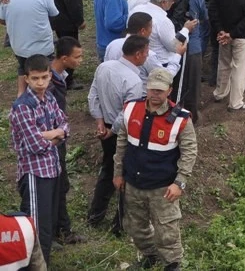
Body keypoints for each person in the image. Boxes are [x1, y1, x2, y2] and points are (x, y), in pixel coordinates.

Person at [113, 68, 197, 271]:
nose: (155, 95)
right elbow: (122, 142)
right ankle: (149, 255)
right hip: (133, 183)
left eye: (160, 91)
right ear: (147, 88)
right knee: (136, 225)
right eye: (152, 90)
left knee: (166, 230)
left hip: (163, 187)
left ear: (170, 90)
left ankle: (172, 264)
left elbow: (189, 152)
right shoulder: (131, 109)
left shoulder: (181, 119)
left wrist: (180, 182)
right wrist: (117, 173)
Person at [87, 35, 150, 234]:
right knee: (124, 173)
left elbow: (93, 95)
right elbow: (126, 115)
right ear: (138, 54)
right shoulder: (134, 81)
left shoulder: (104, 67)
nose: (147, 57)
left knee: (107, 169)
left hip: (104, 126)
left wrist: (100, 124)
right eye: (147, 53)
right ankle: (119, 225)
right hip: (122, 133)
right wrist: (112, 132)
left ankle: (95, 215)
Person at [9, 54, 69, 264]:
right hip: (34, 172)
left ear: (50, 77)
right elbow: (35, 145)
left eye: (44, 77)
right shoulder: (22, 106)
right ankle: (33, 265)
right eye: (35, 78)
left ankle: (44, 262)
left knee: (48, 222)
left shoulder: (49, 98)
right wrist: (55, 134)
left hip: (52, 169)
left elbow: (65, 126)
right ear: (26, 78)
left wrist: (48, 134)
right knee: (37, 225)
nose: (40, 82)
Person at [0, 0, 59, 96]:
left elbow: (2, 19)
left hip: (19, 47)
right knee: (43, 78)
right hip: (42, 48)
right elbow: (54, 14)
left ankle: (22, 95)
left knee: (23, 68)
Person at [48, 36, 86, 245]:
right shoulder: (49, 83)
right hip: (52, 142)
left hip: (60, 136)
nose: (80, 60)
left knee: (62, 183)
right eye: (77, 57)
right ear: (64, 58)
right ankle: (54, 231)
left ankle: (62, 228)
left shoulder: (59, 76)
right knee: (55, 185)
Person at [165, 0, 208, 121]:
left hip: (168, 44)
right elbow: (203, 17)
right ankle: (190, 117)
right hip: (190, 46)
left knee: (173, 83)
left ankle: (170, 112)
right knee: (191, 85)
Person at [130, 0, 196, 72]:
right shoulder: (163, 21)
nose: (173, 3)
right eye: (172, 0)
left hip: (136, 59)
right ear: (164, 2)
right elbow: (174, 47)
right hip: (160, 63)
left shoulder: (136, 9)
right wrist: (186, 29)